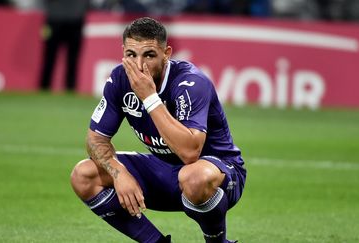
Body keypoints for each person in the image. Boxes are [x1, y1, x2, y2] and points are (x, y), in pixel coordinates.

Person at [70, 17, 246, 243]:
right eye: (132, 55)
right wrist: (119, 173)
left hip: (217, 174)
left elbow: (190, 153)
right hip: (164, 171)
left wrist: (150, 98)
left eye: (149, 55)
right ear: (123, 52)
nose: (140, 64)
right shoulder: (120, 79)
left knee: (192, 177)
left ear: (167, 53)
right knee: (83, 175)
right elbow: (95, 140)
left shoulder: (190, 83)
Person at [39, 0, 89, 92]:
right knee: (49, 58)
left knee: (72, 59)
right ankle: (44, 87)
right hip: (55, 20)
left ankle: (70, 88)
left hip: (75, 20)